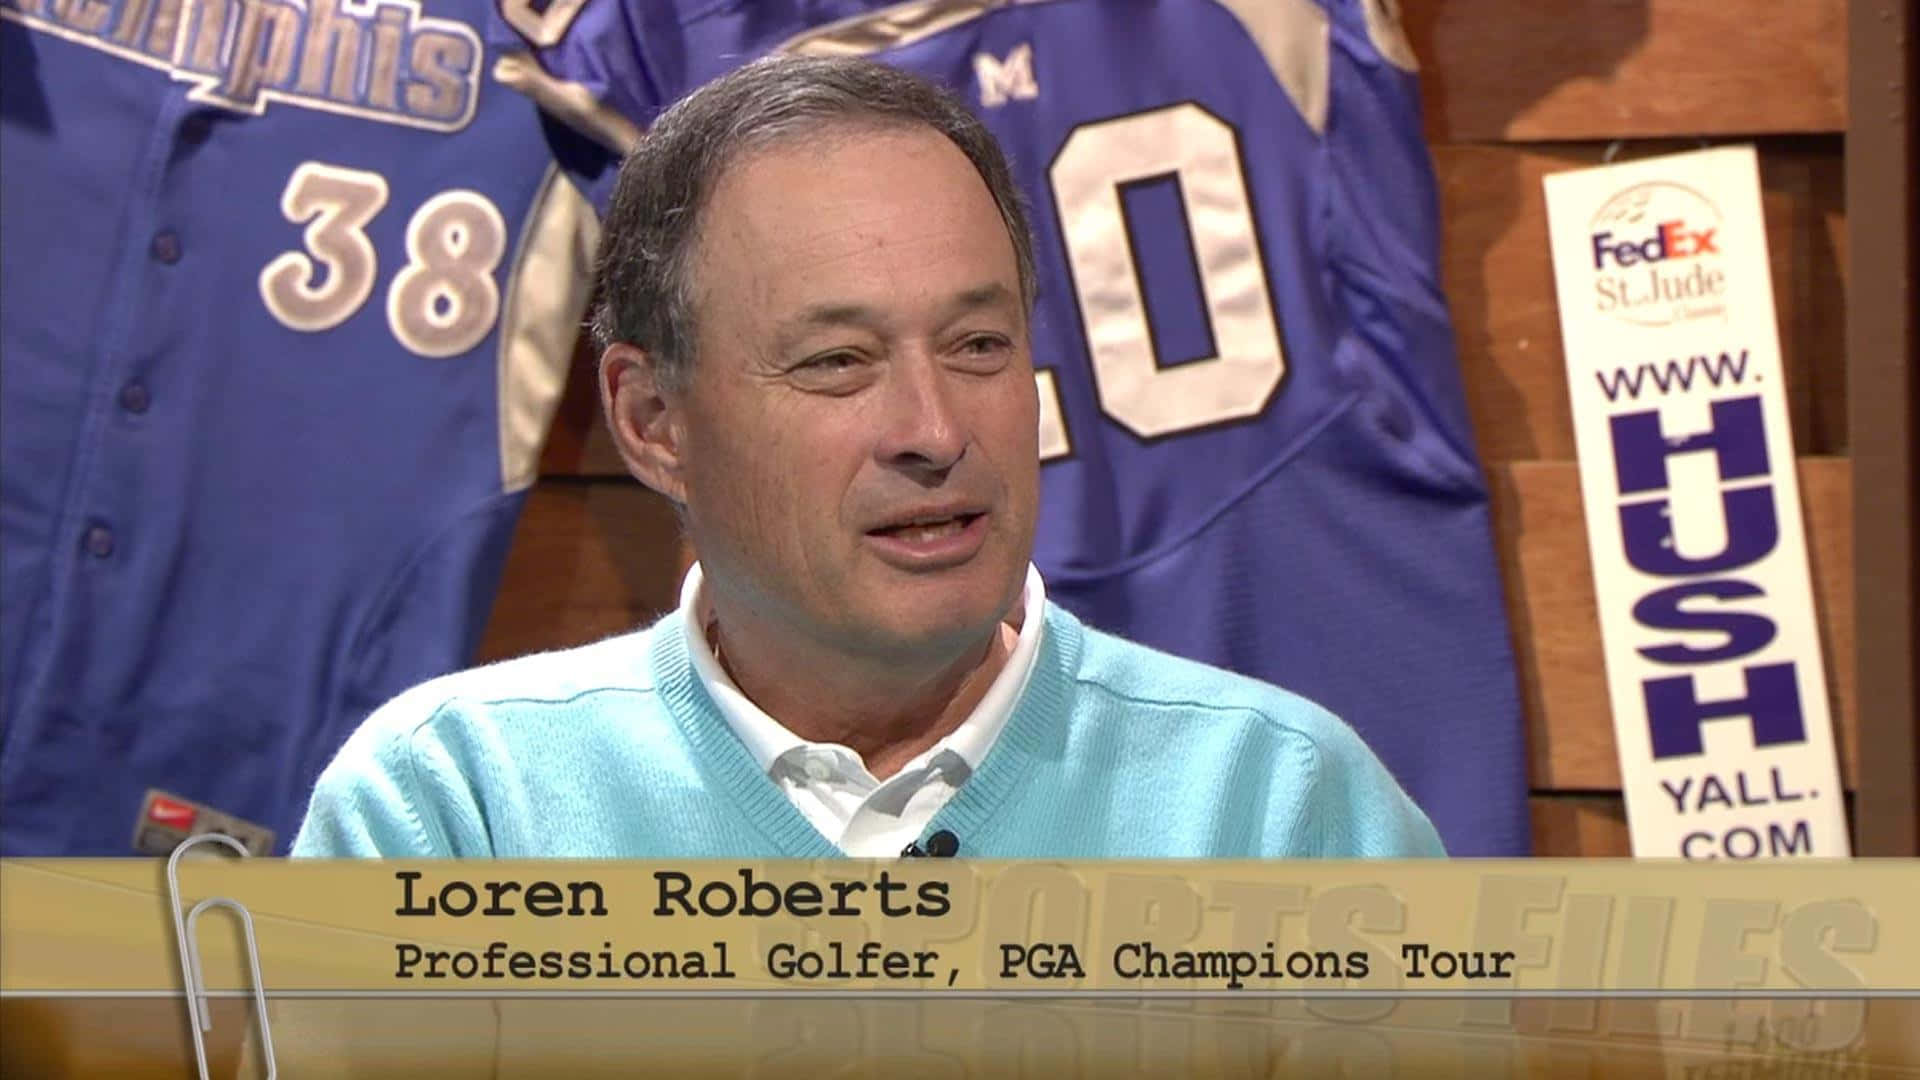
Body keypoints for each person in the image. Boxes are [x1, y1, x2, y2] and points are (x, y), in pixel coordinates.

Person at [291, 56, 1443, 859]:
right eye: (837, 362)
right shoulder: (456, 813)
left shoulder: (1284, 811)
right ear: (651, 421)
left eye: (979, 345)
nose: (935, 432)